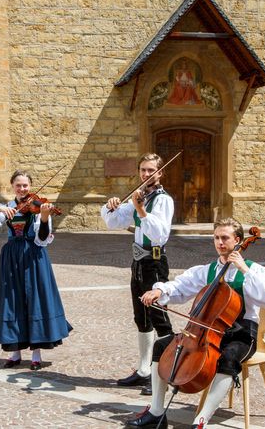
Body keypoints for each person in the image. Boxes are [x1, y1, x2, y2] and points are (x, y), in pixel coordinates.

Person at [127, 218, 265, 428]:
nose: (220, 242)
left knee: (229, 357)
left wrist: (244, 269)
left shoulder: (254, 270)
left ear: (237, 240)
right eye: (216, 238)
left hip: (242, 334)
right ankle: (156, 411)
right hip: (206, 332)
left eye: (225, 238)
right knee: (162, 345)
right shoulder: (208, 270)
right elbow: (182, 285)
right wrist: (160, 290)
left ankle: (201, 421)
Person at [0, 170, 72, 370]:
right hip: (11, 256)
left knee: (35, 299)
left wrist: (44, 218)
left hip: (33, 255)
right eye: (18, 185)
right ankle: (15, 352)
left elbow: (43, 239)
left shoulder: (38, 207)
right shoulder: (8, 207)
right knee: (13, 300)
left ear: (31, 186)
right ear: (12, 186)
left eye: (25, 185)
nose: (22, 189)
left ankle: (36, 354)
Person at [101, 153, 174, 395]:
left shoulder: (163, 200)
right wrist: (111, 206)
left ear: (160, 173)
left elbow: (160, 234)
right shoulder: (139, 197)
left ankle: (165, 373)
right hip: (138, 263)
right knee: (141, 318)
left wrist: (141, 211)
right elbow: (114, 222)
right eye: (142, 170)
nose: (145, 174)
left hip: (154, 262)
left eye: (150, 170)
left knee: (159, 319)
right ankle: (144, 370)